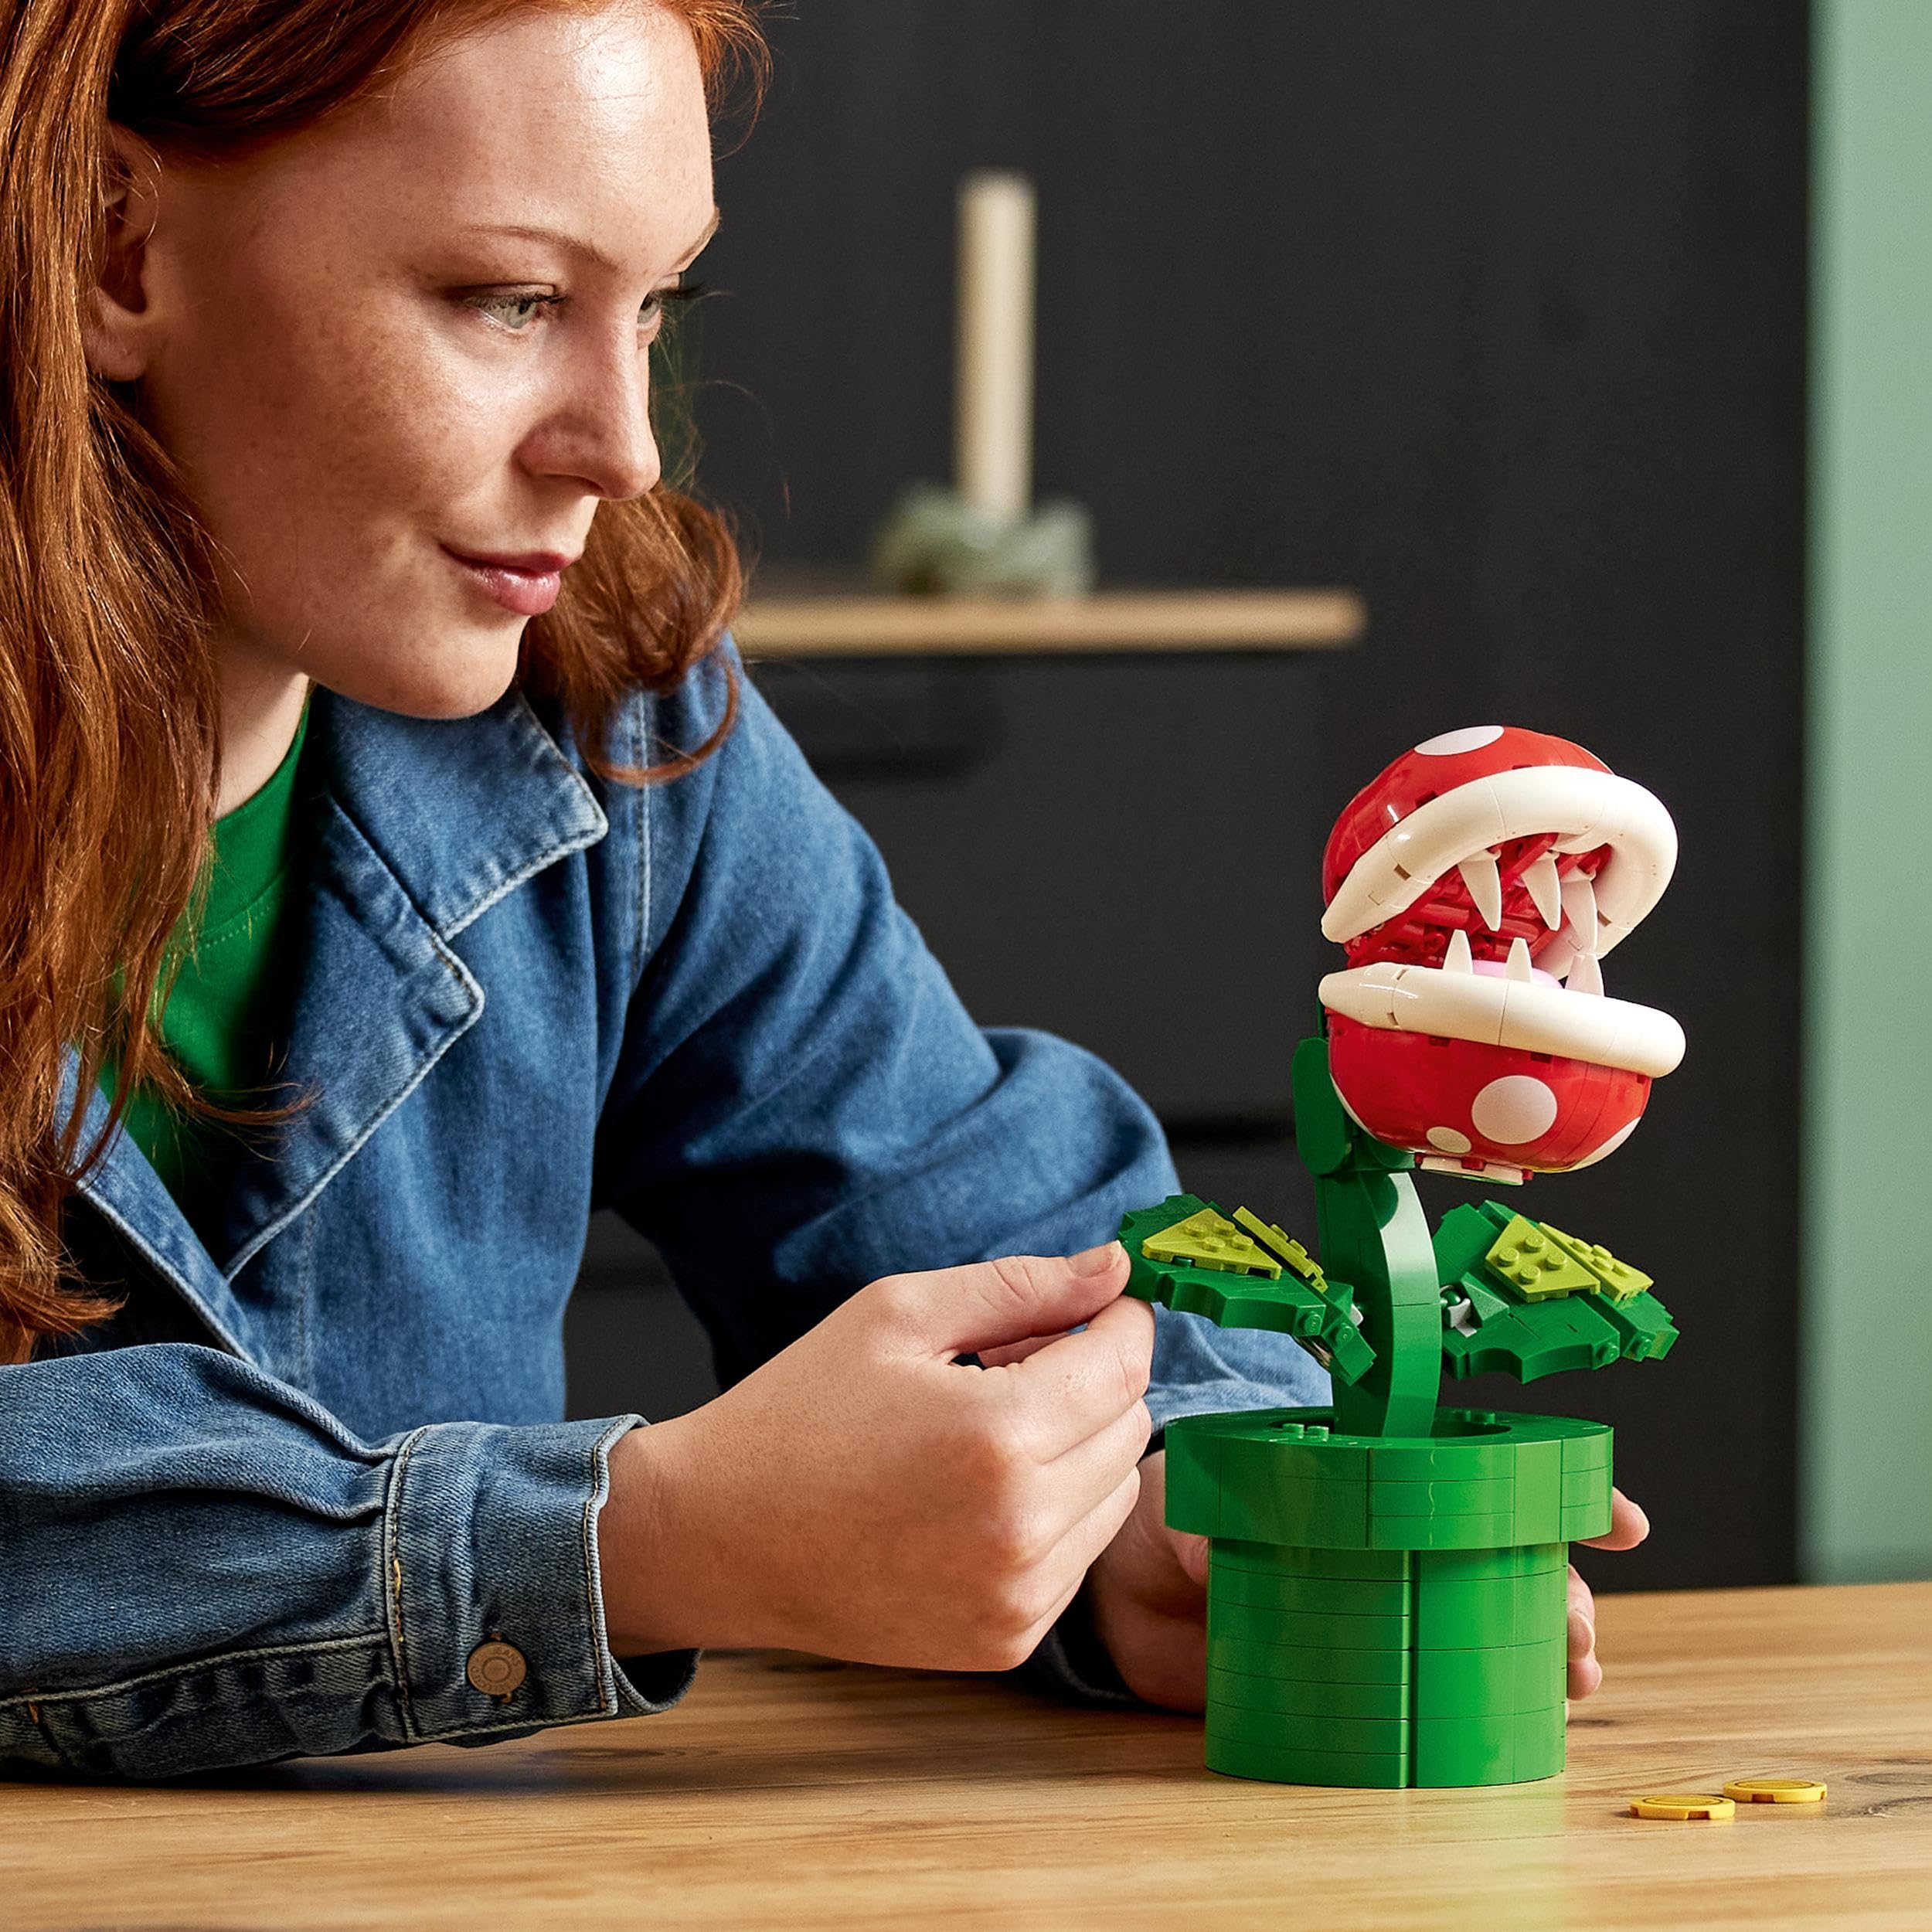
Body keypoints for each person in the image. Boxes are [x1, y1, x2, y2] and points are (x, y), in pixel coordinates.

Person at [0, 0, 1644, 1780]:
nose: (621, 446)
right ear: (114, 246)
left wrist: (1173, 1501)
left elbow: (984, 1219)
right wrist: (634, 1540)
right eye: (510, 300)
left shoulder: (612, 719)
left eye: (653, 307)